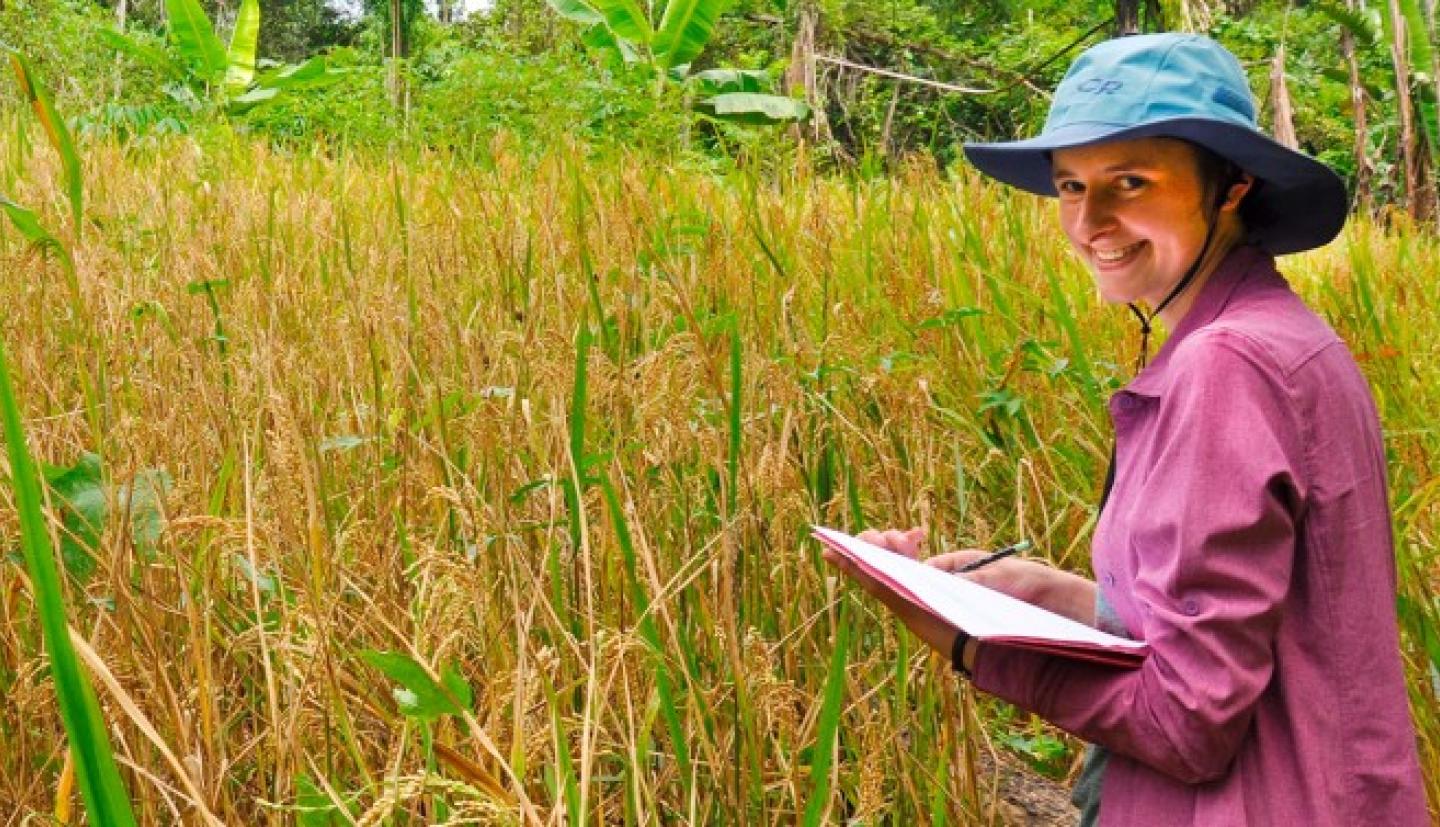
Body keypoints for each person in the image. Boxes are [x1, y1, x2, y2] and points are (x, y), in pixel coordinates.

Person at [822, 33, 1430, 825]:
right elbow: (1238, 632)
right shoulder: (1279, 334)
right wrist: (1050, 596)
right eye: (1071, 186)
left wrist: (966, 641)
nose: (1091, 222)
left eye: (1130, 182)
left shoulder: (1228, 363)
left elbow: (1188, 724)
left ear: (1232, 186)